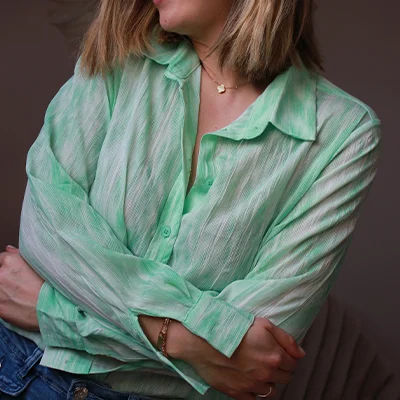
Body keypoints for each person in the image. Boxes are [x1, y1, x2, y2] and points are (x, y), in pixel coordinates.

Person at [0, 0, 382, 399]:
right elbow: (46, 233)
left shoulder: (344, 135)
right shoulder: (119, 55)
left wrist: (53, 314)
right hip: (16, 369)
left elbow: (258, 350)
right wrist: (193, 344)